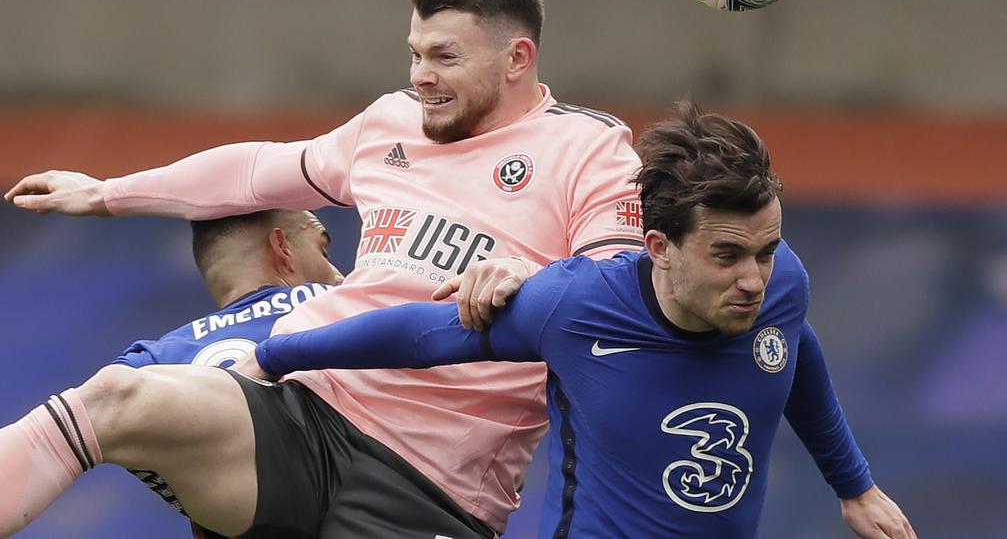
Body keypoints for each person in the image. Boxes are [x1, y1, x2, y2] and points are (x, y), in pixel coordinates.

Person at [0, 0, 645, 538]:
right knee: (118, 395)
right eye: (414, 51)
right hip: (311, 416)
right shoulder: (391, 124)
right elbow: (259, 172)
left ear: (517, 59)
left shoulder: (589, 149)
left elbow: (619, 287)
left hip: (434, 486)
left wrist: (533, 279)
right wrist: (107, 193)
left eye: (444, 57)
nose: (419, 73)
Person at [236, 102, 917, 539]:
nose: (753, 280)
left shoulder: (778, 285)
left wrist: (853, 485)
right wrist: (276, 356)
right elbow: (419, 335)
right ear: (658, 248)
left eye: (765, 252)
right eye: (727, 256)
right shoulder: (574, 305)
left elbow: (789, 343)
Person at [0, 209, 343, 539]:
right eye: (324, 244)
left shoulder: (150, 366)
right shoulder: (354, 297)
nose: (336, 265)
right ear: (282, 248)